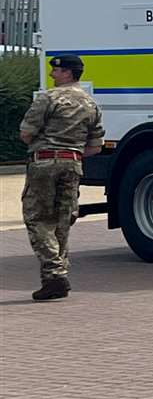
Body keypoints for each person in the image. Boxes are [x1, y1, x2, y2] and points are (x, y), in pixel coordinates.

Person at [19, 55, 104, 301]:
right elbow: (95, 147)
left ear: (67, 73)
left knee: (37, 218)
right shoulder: (91, 104)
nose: (52, 75)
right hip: (73, 163)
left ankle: (55, 274)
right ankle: (54, 278)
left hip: (44, 162)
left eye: (56, 71)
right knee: (62, 220)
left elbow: (26, 133)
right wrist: (72, 152)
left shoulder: (48, 98)